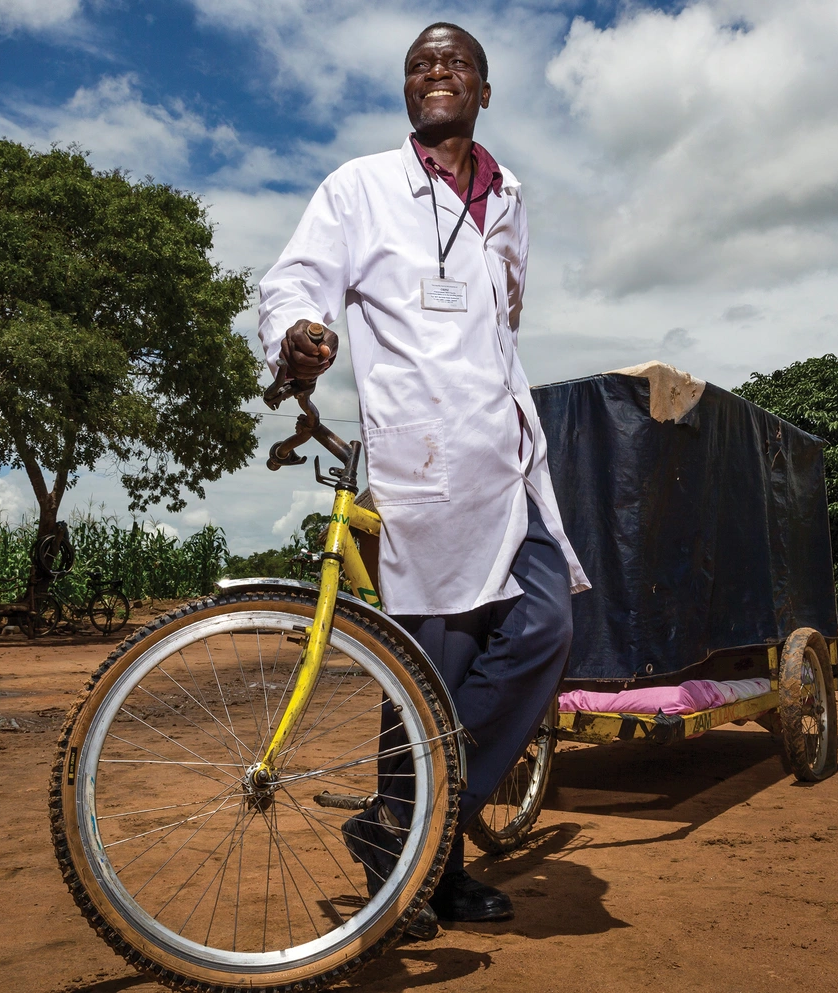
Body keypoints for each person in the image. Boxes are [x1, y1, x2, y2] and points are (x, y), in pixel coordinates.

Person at [257, 21, 590, 939]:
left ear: (484, 92)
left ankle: (402, 822)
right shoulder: (359, 189)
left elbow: (506, 313)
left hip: (507, 461)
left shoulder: (509, 195)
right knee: (428, 678)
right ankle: (423, 867)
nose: (435, 72)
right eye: (418, 64)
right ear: (407, 92)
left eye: (455, 63)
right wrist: (298, 335)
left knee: (545, 624)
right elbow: (293, 281)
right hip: (427, 471)